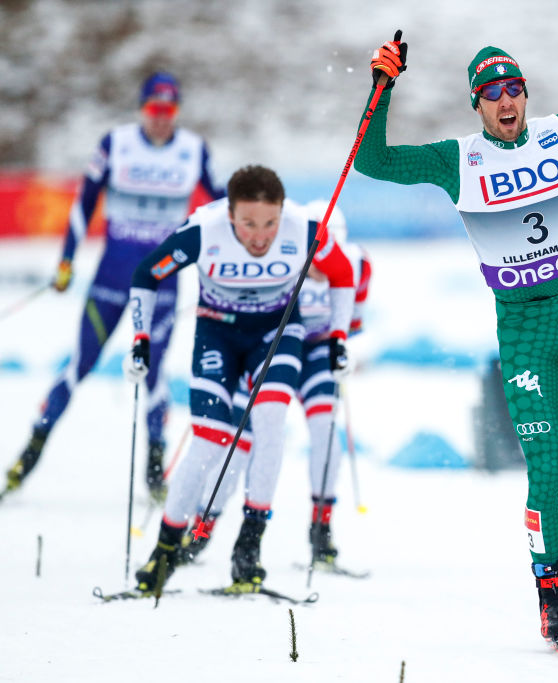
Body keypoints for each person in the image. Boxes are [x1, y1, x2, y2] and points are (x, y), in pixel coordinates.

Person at [354, 2, 558, 646]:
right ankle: (554, 595)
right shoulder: (458, 160)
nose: (505, 102)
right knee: (546, 472)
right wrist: (380, 89)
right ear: (476, 106)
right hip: (525, 332)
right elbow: (373, 160)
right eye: (490, 94)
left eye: (513, 89)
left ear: (525, 93)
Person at [124, 166, 356, 593]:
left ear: (282, 212)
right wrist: (140, 337)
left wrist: (339, 336)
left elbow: (342, 275)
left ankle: (248, 549)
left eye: (269, 222)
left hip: (277, 330)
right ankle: (165, 550)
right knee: (210, 440)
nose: (260, 235)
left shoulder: (305, 229)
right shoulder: (203, 231)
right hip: (218, 332)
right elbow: (146, 275)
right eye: (248, 223)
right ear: (230, 215)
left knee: (270, 425)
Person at [4, 72, 223, 501]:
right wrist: (66, 259)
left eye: (169, 110)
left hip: (162, 282)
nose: (161, 119)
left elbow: (220, 207)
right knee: (79, 366)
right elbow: (84, 204)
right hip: (111, 277)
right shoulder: (115, 144)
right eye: (155, 109)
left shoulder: (194, 150)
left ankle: (155, 472)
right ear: (142, 108)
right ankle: (28, 454)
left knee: (156, 375)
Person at [176, 201, 373, 569]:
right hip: (274, 351)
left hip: (314, 354)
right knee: (240, 445)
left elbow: (354, 319)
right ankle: (202, 528)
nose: (319, 271)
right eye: (311, 261)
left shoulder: (357, 263)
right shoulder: (279, 253)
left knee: (325, 431)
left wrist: (341, 346)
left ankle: (321, 532)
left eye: (324, 263)